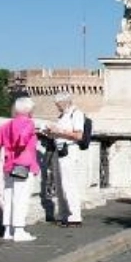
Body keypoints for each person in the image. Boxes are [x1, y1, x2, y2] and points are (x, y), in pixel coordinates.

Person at [0, 96, 41, 242]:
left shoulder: (7, 124)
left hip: (8, 163)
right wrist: (20, 142)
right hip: (22, 164)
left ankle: (8, 230)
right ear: (29, 110)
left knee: (9, 196)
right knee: (21, 198)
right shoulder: (29, 123)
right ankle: (19, 230)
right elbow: (23, 138)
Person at [46, 91, 86, 228]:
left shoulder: (77, 114)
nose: (57, 107)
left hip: (69, 151)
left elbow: (79, 135)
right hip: (59, 150)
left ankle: (74, 216)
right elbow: (60, 134)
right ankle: (64, 214)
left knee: (69, 184)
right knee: (60, 184)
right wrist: (51, 133)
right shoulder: (63, 115)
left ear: (65, 102)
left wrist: (58, 131)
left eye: (59, 105)